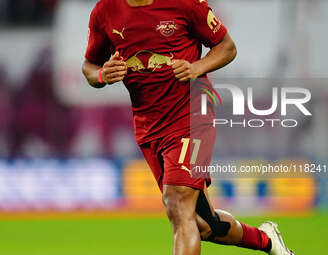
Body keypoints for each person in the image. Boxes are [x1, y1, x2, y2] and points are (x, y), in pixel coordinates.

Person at [82, 1, 294, 254]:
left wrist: (197, 67)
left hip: (192, 115)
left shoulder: (185, 3)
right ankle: (267, 240)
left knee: (178, 201)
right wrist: (103, 75)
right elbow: (89, 67)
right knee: (202, 224)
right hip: (149, 127)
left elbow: (227, 47)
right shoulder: (104, 11)